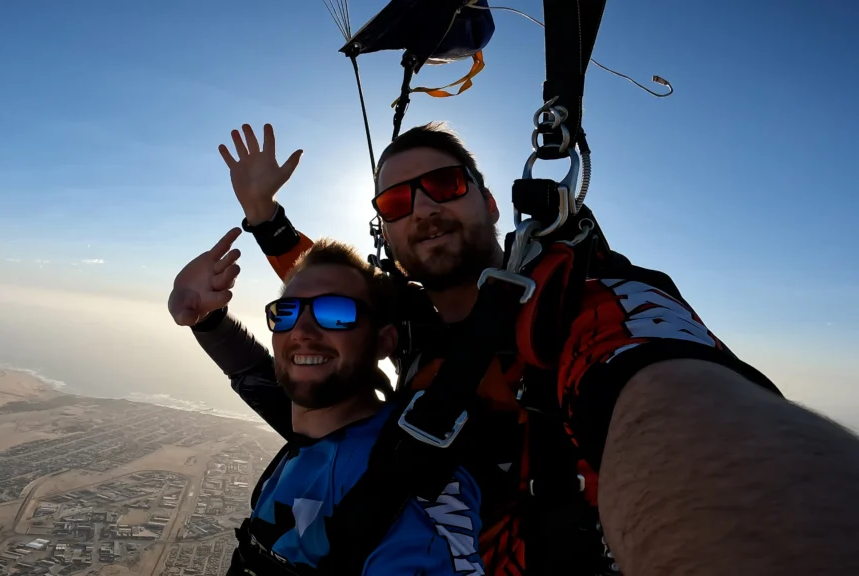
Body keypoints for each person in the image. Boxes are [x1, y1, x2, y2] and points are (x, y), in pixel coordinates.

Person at [188, 122, 859, 576]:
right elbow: (339, 303)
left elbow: (663, 392)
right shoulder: (415, 322)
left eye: (445, 186)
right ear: (385, 229)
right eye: (398, 200)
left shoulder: (572, 305)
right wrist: (264, 221)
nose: (423, 208)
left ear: (489, 201)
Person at [169, 229, 484, 575]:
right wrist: (206, 319)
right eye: (286, 312)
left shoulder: (411, 481)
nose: (301, 330)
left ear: (384, 342)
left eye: (335, 312)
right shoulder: (317, 438)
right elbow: (260, 379)